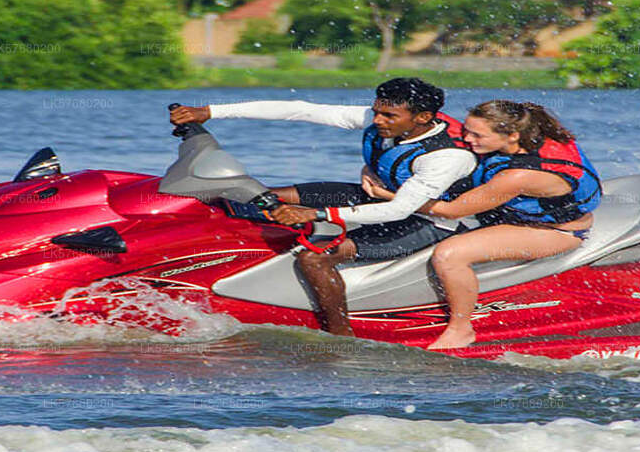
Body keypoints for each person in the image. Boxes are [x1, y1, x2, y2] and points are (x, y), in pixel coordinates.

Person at [168, 78, 476, 337]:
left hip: (426, 222)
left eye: (389, 117)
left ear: (423, 117)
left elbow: (399, 211)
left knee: (314, 259)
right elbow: (299, 110)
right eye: (376, 112)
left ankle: (340, 338)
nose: (377, 120)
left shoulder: (446, 157)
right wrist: (210, 111)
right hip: (379, 197)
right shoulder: (387, 120)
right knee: (255, 197)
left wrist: (317, 214)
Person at [418, 100, 602, 350]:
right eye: (466, 131)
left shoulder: (518, 176)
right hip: (516, 215)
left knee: (449, 255)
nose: (467, 138)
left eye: (477, 135)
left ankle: (461, 329)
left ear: (512, 135)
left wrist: (392, 198)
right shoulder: (528, 131)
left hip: (555, 232)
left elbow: (452, 211)